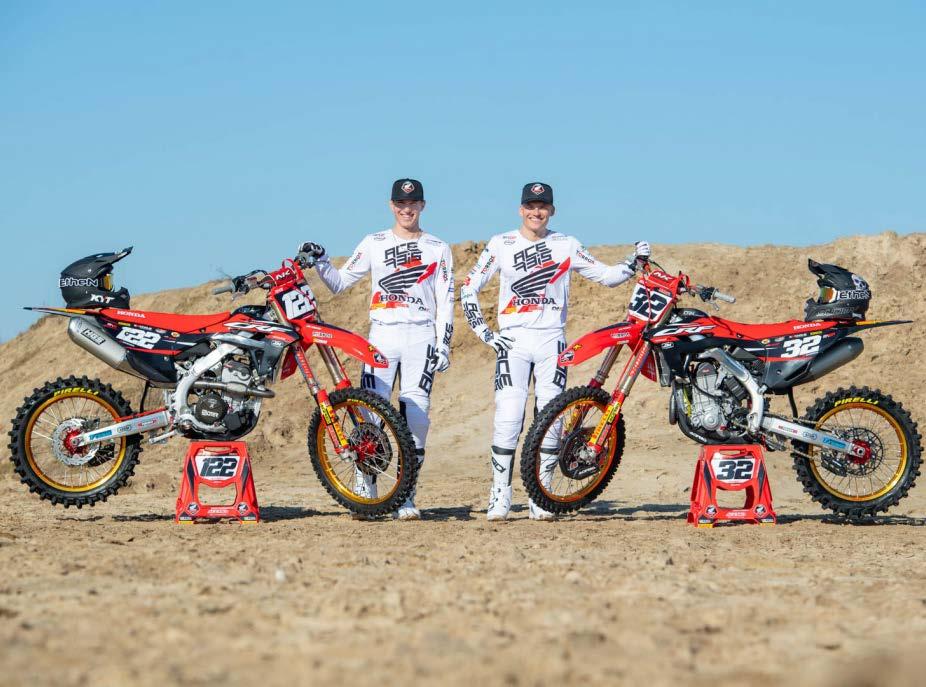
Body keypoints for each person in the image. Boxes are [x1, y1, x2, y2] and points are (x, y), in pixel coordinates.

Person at [460, 182, 649, 521]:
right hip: (513, 340)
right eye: (531, 206)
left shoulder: (566, 244)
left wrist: (633, 262)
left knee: (553, 419)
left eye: (543, 207)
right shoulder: (501, 243)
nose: (537, 212)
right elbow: (468, 288)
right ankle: (500, 494)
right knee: (508, 416)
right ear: (521, 209)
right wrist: (485, 333)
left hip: (552, 340)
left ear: (552, 210)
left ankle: (542, 494)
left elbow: (606, 277)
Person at [299, 178, 454, 520]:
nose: (406, 209)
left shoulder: (438, 247)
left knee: (417, 417)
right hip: (382, 335)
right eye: (400, 203)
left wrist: (444, 344)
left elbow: (446, 300)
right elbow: (339, 283)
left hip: (421, 336)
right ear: (391, 205)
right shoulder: (375, 242)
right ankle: (365, 489)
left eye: (412, 204)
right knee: (369, 412)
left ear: (423, 206)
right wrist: (322, 260)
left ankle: (406, 494)